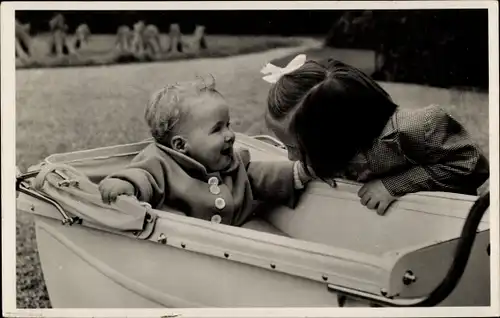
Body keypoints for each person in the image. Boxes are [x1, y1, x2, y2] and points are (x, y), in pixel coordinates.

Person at [263, 57, 489, 215]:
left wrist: (395, 185)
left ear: (335, 140)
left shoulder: (413, 128)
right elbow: (297, 171)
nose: (292, 157)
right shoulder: (329, 152)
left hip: (442, 223)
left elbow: (470, 163)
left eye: (296, 149)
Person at [98, 77, 313, 226]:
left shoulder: (231, 161)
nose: (230, 135)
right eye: (217, 129)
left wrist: (300, 172)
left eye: (228, 125)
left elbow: (257, 175)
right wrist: (126, 185)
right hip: (190, 245)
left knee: (270, 240)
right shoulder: (160, 162)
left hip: (241, 228)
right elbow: (142, 175)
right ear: (180, 146)